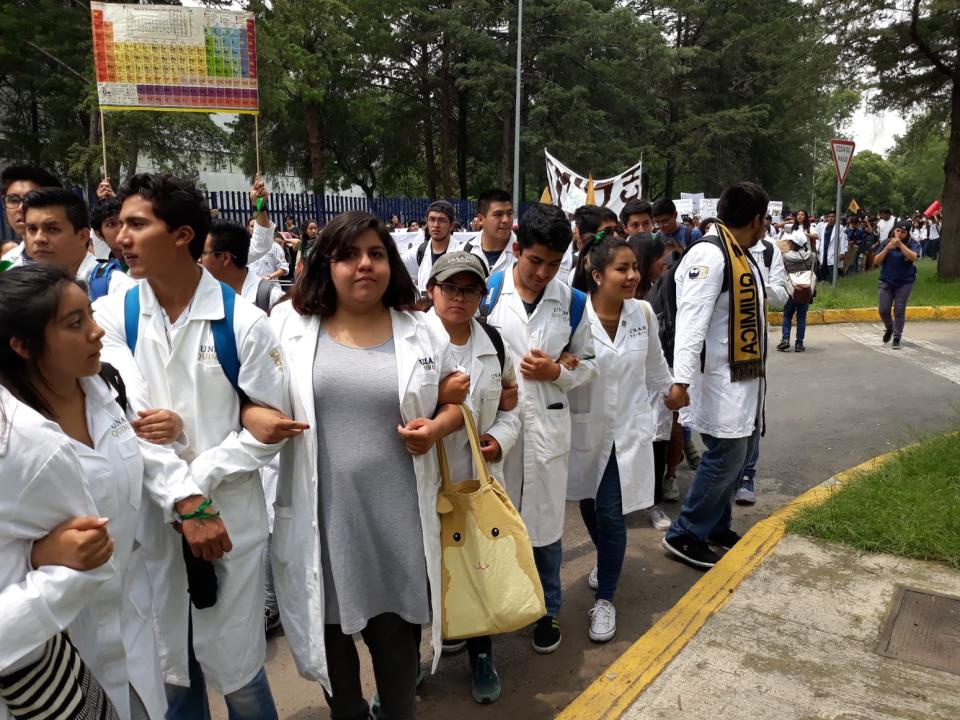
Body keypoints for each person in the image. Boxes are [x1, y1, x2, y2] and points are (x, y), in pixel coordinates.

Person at [93, 173, 292, 719]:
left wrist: (197, 481)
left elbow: (269, 431)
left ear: (182, 235)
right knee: (173, 680)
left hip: (226, 519)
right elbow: (125, 421)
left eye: (137, 224)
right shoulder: (115, 317)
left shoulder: (244, 323)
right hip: (153, 524)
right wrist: (183, 496)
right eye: (120, 225)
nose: (122, 238)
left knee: (242, 677)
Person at [265, 210, 464, 720]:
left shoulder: (421, 331)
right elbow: (251, 398)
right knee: (336, 676)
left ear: (390, 263)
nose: (364, 265)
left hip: (396, 525)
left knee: (398, 668)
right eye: (349, 255)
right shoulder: (288, 326)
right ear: (324, 265)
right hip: (324, 525)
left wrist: (438, 426)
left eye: (376, 254)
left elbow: (460, 402)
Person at [0, 264, 217, 718]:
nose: (97, 332)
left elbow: (142, 451)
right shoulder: (13, 445)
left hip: (131, 622)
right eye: (75, 324)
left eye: (90, 316)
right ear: (21, 346)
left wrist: (187, 497)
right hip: (52, 662)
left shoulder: (102, 385)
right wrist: (44, 563)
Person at [480, 202, 598, 653]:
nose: (542, 273)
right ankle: (488, 609)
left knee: (546, 529)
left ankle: (547, 608)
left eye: (552, 264)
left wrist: (558, 373)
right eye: (534, 261)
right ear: (515, 249)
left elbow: (589, 361)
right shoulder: (487, 293)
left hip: (548, 429)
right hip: (498, 430)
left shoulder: (571, 302)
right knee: (492, 525)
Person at [567, 234, 681, 643]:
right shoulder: (574, 316)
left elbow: (655, 367)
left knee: (612, 513)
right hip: (585, 428)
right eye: (622, 269)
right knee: (588, 502)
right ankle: (607, 557)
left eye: (634, 267)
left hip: (627, 432)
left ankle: (606, 598)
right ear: (597, 275)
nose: (633, 275)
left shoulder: (643, 314)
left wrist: (673, 392)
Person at [423, 251, 521, 704]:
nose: (458, 298)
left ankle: (482, 654)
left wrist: (499, 439)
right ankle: (409, 664)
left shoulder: (495, 345)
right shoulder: (408, 341)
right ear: (432, 291)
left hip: (475, 482)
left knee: (478, 568)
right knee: (422, 576)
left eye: (469, 289)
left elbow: (510, 410)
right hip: (420, 481)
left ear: (483, 296)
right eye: (450, 288)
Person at [662, 182, 769, 570]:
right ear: (757, 220)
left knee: (736, 455)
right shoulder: (711, 255)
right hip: (716, 380)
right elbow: (691, 322)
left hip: (739, 379)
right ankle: (686, 533)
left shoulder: (738, 253)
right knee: (726, 455)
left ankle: (716, 526)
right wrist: (681, 381)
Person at [628, 233, 678, 525]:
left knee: (656, 442)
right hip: (628, 384)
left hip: (654, 381)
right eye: (661, 256)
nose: (664, 261)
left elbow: (658, 351)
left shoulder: (659, 291)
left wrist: (671, 385)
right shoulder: (625, 296)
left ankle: (652, 502)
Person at [15, 188, 137, 301]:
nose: (39, 239)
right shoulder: (25, 292)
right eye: (32, 229)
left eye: (52, 229)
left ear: (83, 236)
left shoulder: (118, 288)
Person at [201, 219, 285, 312]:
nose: (199, 260)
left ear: (225, 257)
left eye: (203, 253)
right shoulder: (204, 299)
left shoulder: (274, 300)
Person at [875, 220, 921, 350]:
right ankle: (890, 327)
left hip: (905, 281)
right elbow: (876, 261)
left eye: (903, 232)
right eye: (898, 231)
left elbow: (913, 257)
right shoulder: (885, 242)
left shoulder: (912, 243)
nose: (900, 234)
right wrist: (887, 248)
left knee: (899, 310)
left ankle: (897, 337)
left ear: (907, 233)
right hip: (886, 281)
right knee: (883, 309)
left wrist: (900, 244)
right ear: (894, 230)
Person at [402, 200, 458, 289]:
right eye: (432, 219)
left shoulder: (462, 252)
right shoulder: (418, 252)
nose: (436, 225)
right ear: (427, 223)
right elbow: (395, 270)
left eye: (442, 220)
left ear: (451, 226)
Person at [463, 189, 516, 277]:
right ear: (480, 219)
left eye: (509, 214)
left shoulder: (524, 253)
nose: (506, 220)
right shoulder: (463, 252)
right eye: (498, 214)